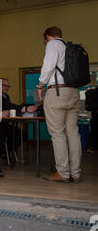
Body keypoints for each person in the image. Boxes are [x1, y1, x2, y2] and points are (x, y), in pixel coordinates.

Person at [37, 26, 82, 183]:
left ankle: (62, 172)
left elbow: (48, 67)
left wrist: (41, 84)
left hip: (58, 92)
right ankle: (75, 173)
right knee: (73, 133)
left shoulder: (53, 44)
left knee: (57, 133)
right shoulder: (69, 47)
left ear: (48, 36)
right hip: (74, 92)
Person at [0, 77, 38, 158]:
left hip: (5, 123)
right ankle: (4, 152)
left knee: (22, 134)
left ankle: (6, 151)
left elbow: (9, 107)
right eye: (4, 85)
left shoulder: (6, 96)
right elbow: (9, 106)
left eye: (8, 86)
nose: (6, 88)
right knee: (16, 134)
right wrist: (24, 108)